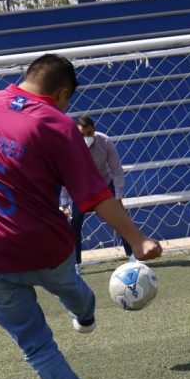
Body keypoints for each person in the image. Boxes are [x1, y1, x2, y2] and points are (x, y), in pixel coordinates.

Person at [0, 54, 162, 379]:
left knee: (36, 345)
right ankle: (84, 314)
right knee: (75, 291)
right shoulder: (58, 124)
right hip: (42, 248)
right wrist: (137, 240)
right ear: (62, 93)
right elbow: (96, 196)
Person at [59, 115, 132, 274]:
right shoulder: (70, 146)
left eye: (89, 133)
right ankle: (76, 264)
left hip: (105, 184)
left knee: (120, 218)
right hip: (82, 189)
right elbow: (66, 176)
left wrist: (118, 197)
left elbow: (117, 171)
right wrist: (64, 203)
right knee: (75, 224)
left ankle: (132, 257)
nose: (85, 137)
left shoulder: (105, 141)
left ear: (94, 130)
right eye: (81, 134)